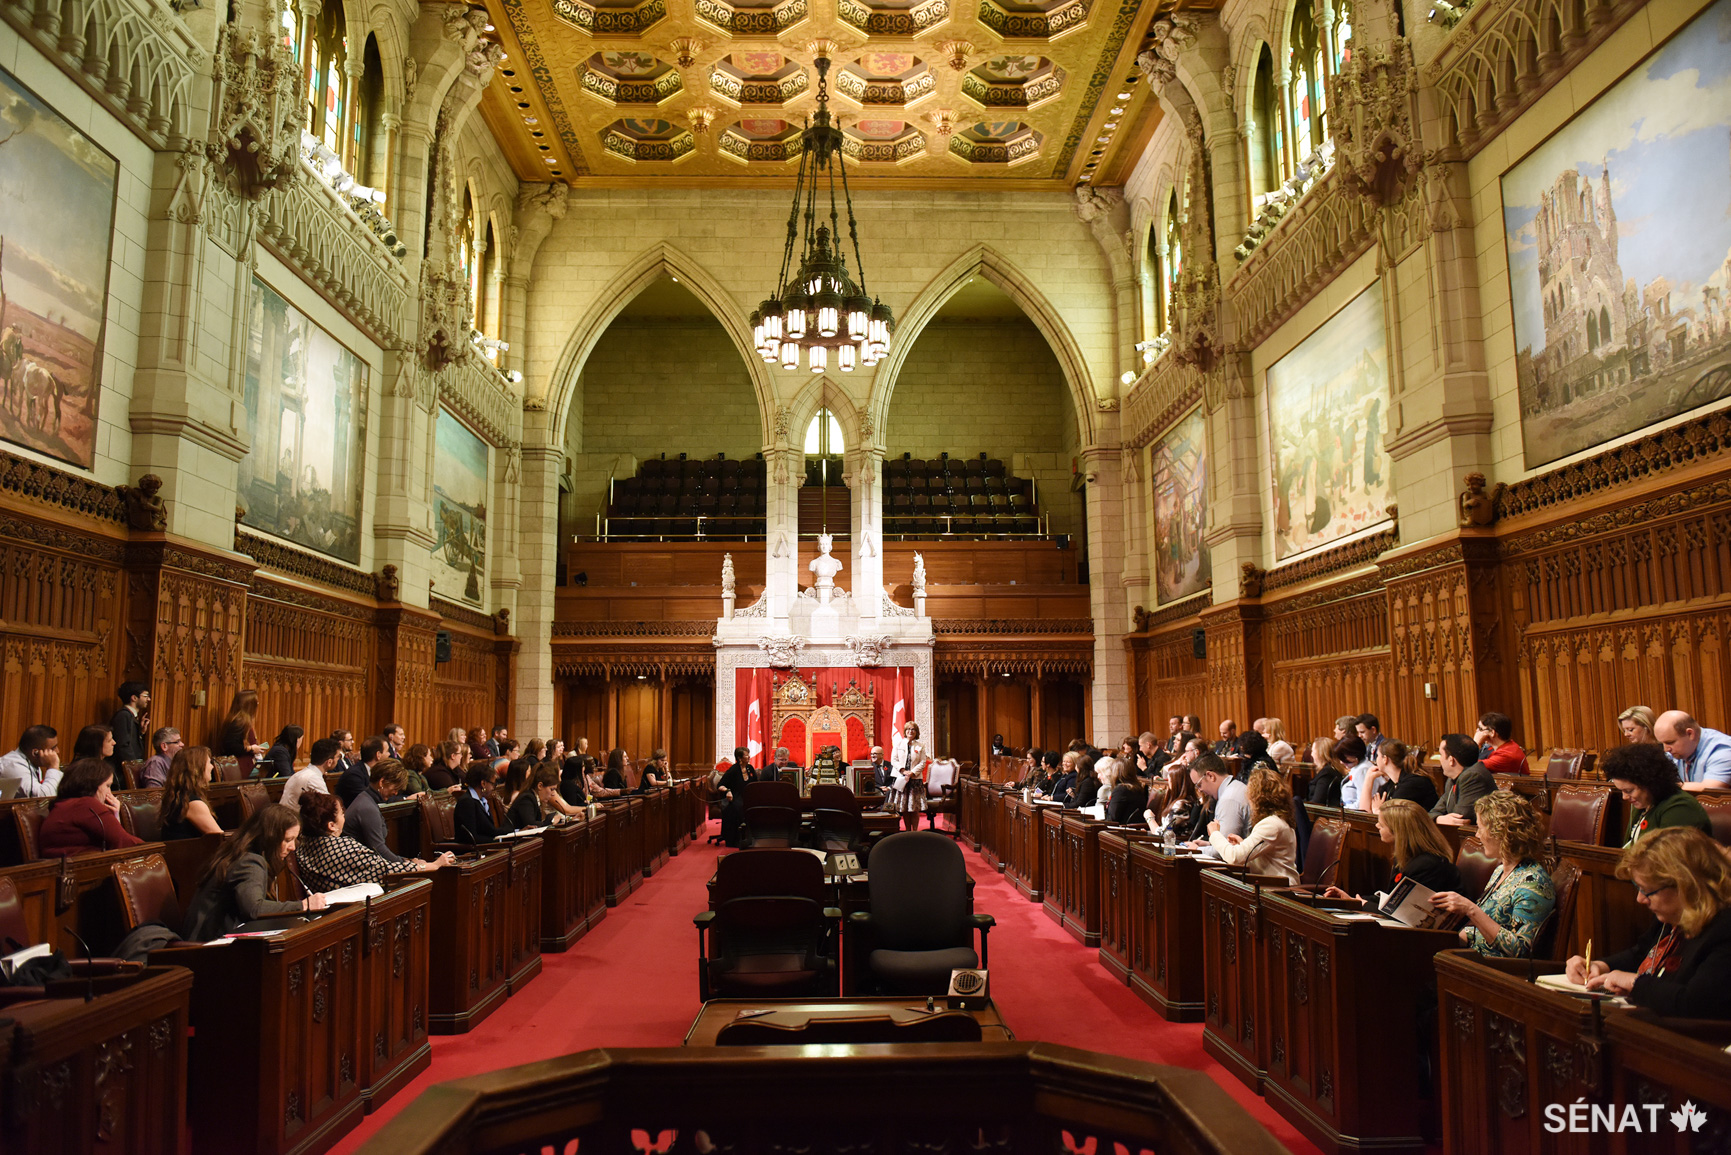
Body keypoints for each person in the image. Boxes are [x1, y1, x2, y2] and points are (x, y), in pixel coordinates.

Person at [1565, 828, 1731, 1017]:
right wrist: (1600, 966)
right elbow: (1641, 954)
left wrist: (1634, 984)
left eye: (1647, 890)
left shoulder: (1724, 928)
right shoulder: (1672, 915)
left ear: (1684, 885)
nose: (1640, 899)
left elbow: (1693, 1004)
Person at [1430, 791, 1555, 958]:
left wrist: (1470, 909)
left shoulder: (1533, 883)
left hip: (1497, 973)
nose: (1477, 835)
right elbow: (1487, 927)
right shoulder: (1501, 870)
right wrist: (1447, 940)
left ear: (1502, 834)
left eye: (1481, 829)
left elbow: (1519, 950)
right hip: (1474, 959)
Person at [182, 804, 325, 941]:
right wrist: (303, 906)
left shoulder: (240, 853)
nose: (293, 847)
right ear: (270, 838)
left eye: (295, 840)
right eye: (288, 840)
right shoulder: (250, 862)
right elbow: (254, 909)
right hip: (208, 947)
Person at [295, 792, 451, 890]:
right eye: (342, 814)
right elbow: (388, 871)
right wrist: (433, 865)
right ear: (331, 826)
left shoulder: (302, 845)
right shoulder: (344, 849)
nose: (345, 817)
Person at [1324, 800, 1462, 903]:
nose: (1377, 826)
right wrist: (1351, 900)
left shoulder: (1427, 865)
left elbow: (1403, 912)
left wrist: (1363, 904)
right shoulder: (1406, 857)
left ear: (1399, 832)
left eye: (1382, 824)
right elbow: (1390, 899)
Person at [1603, 742, 1712, 847]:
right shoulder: (1644, 803)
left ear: (1650, 782)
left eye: (1629, 791)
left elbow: (1669, 859)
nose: (1624, 797)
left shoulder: (1680, 808)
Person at [1207, 767, 1299, 884]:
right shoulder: (1275, 820)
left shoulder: (1271, 825)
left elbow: (1233, 857)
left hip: (1281, 889)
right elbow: (1266, 859)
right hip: (1271, 885)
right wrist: (1242, 845)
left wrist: (1215, 834)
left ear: (1257, 796)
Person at [38, 758, 144, 856]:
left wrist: (115, 816)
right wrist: (157, 851)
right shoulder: (85, 805)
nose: (110, 793)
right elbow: (125, 842)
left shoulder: (65, 805)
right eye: (107, 786)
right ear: (92, 785)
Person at [344, 759, 412, 862]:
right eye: (395, 788)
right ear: (382, 782)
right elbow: (379, 849)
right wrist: (408, 863)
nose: (396, 793)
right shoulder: (367, 807)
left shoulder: (366, 798)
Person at [1655, 710, 1731, 792]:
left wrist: (1666, 785)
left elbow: (1710, 790)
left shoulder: (1722, 750)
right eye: (1662, 743)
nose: (1666, 749)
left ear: (1690, 734)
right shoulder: (1679, 751)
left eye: (1670, 742)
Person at [1188, 754, 1249, 855]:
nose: (1200, 790)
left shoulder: (1229, 799)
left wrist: (1197, 850)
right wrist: (1208, 844)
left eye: (1199, 785)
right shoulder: (1235, 787)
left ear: (1211, 776)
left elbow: (1225, 851)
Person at [160, 746, 223, 839]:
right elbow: (219, 837)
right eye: (209, 762)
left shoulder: (179, 796)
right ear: (197, 767)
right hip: (187, 852)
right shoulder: (192, 803)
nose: (212, 766)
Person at [1431, 733, 1494, 825]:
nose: (1440, 759)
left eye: (1441, 755)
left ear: (1451, 760)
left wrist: (1439, 818)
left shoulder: (1473, 776)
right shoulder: (1452, 779)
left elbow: (1459, 819)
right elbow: (1433, 812)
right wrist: (1438, 819)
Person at [1369, 741, 1437, 812]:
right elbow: (1366, 811)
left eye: (1377, 756)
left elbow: (1393, 817)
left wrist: (1377, 810)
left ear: (1385, 759)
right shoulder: (1392, 783)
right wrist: (1369, 778)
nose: (1376, 760)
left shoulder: (1413, 783)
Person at [217, 690, 268, 777]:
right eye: (256, 702)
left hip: (246, 765)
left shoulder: (244, 721)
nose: (258, 704)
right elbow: (230, 745)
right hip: (240, 767)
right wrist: (251, 748)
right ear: (250, 705)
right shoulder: (238, 722)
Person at [0, 725, 62, 798]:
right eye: (53, 748)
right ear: (35, 753)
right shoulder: (13, 766)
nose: (57, 751)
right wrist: (53, 767)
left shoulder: (31, 762)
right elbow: (43, 798)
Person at [1145, 757, 1201, 836]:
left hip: (1172, 845)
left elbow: (1164, 834)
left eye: (1170, 779)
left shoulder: (1181, 805)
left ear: (1176, 782)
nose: (1168, 783)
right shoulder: (1188, 801)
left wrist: (1150, 819)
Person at [890, 721, 929, 830]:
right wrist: (903, 770)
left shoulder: (920, 746)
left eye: (913, 729)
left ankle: (915, 831)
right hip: (901, 779)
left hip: (914, 780)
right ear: (905, 731)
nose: (910, 731)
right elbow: (894, 759)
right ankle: (907, 830)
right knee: (905, 807)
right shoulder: (898, 744)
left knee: (914, 807)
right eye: (908, 729)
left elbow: (922, 762)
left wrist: (912, 772)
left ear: (916, 732)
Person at [280, 736, 338, 809]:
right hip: (294, 819)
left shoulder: (302, 773)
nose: (338, 760)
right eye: (338, 757)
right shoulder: (313, 778)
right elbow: (330, 807)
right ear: (329, 762)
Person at [454, 764, 505, 844]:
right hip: (474, 852)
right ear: (483, 784)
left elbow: (491, 831)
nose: (493, 788)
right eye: (493, 784)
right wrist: (499, 841)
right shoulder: (466, 802)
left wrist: (516, 832)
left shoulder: (481, 800)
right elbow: (471, 838)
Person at [108, 681, 149, 771]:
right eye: (145, 696)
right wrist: (134, 767)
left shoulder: (129, 716)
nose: (148, 699)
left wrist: (141, 733)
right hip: (124, 771)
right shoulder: (123, 716)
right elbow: (123, 745)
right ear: (134, 698)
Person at [338, 736, 387, 805]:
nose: (389, 754)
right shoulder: (354, 775)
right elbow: (368, 798)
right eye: (387, 751)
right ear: (378, 755)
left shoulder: (378, 771)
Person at [718, 746, 750, 847]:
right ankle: (737, 839)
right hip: (735, 797)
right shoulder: (733, 770)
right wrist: (727, 791)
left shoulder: (750, 768)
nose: (749, 757)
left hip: (749, 797)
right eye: (746, 755)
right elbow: (720, 785)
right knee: (737, 807)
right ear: (740, 758)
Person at [1100, 757, 1148, 824]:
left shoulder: (1121, 790)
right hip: (1132, 828)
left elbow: (1113, 817)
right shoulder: (1137, 788)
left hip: (1122, 830)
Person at [1307, 738, 1347, 808]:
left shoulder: (1327, 773)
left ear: (1320, 753)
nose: (1311, 754)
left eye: (1313, 751)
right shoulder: (1331, 770)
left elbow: (1317, 802)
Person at [1335, 736, 1372, 810]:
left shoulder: (1362, 770)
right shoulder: (1358, 767)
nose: (1341, 762)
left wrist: (1347, 810)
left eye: (1344, 758)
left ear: (1354, 754)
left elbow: (1362, 802)